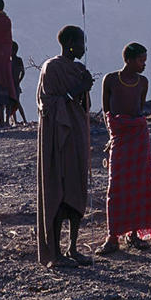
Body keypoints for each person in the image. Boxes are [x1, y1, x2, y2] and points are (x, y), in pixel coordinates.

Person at [36, 25, 94, 267]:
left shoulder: (78, 69)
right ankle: (56, 253)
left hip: (77, 135)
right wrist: (76, 90)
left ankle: (73, 248)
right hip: (57, 138)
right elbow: (47, 103)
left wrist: (84, 88)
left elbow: (82, 105)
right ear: (69, 42)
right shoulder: (52, 67)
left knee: (76, 188)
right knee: (58, 190)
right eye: (81, 43)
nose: (84, 48)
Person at [98, 42, 151, 254]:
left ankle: (133, 234)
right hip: (119, 139)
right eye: (141, 60)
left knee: (138, 185)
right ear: (130, 60)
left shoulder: (143, 82)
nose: (144, 64)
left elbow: (138, 111)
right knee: (115, 188)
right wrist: (113, 135)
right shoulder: (111, 80)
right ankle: (113, 236)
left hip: (138, 139)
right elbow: (107, 112)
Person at [10, 41, 28, 125]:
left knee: (17, 102)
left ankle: (24, 120)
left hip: (15, 84)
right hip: (11, 84)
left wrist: (18, 81)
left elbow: (22, 72)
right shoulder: (9, 61)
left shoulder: (18, 60)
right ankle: (15, 121)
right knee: (11, 103)